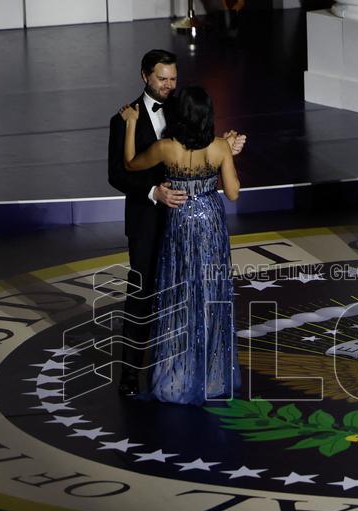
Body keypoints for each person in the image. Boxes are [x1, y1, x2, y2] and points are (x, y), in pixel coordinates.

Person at [107, 49, 245, 398]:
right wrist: (155, 192)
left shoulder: (182, 107)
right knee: (143, 295)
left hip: (184, 223)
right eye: (161, 79)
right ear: (144, 76)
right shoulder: (124, 119)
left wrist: (224, 148)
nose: (168, 85)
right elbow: (118, 174)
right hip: (149, 220)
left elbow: (196, 147)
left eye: (173, 79)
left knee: (188, 295)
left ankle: (182, 368)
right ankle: (130, 373)